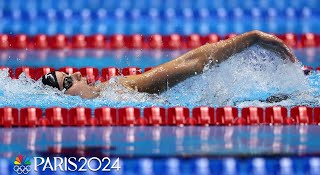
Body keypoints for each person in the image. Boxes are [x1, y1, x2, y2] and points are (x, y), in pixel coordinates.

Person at [42, 30, 297, 100]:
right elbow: (192, 64)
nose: (77, 72)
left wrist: (249, 39)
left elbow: (188, 64)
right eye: (68, 81)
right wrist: (251, 38)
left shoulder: (118, 89)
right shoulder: (119, 94)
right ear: (64, 100)